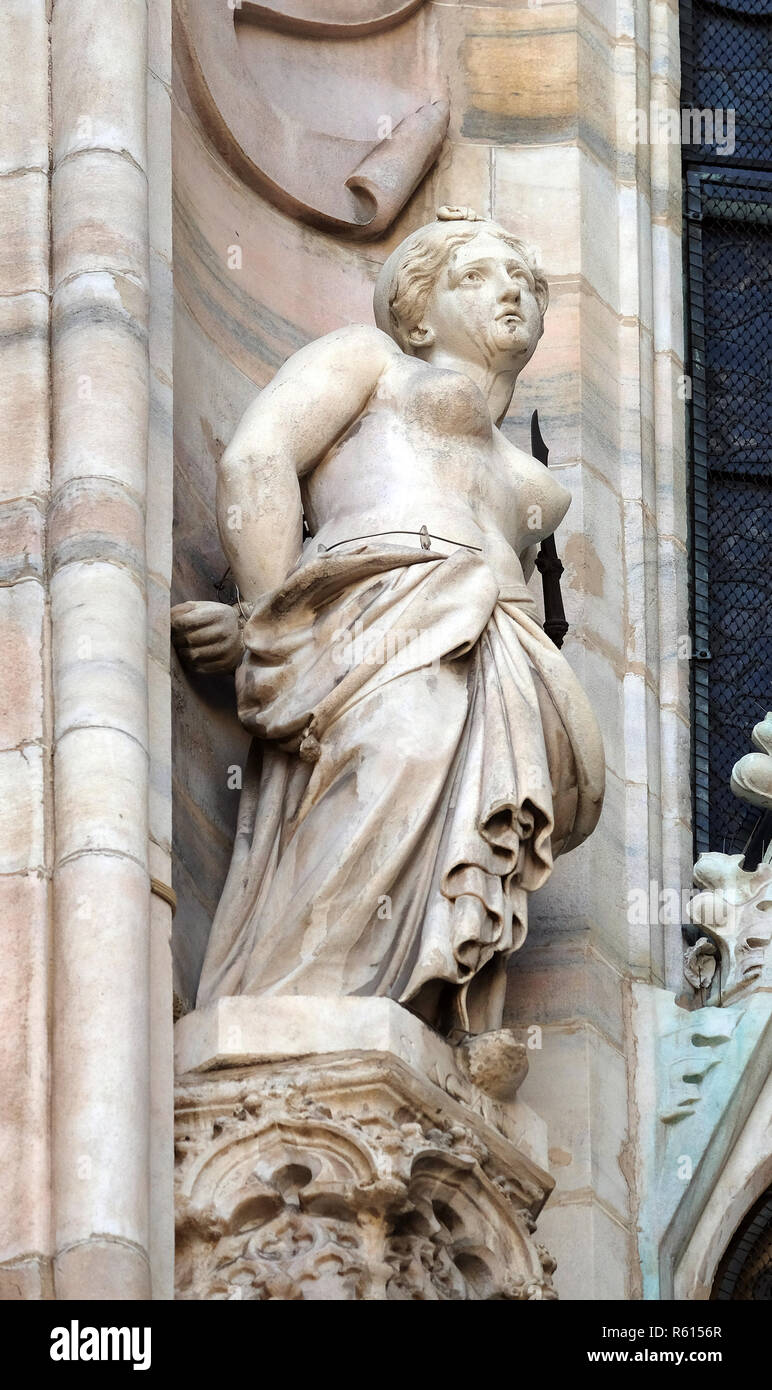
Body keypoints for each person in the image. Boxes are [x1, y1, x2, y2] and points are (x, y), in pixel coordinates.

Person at [172, 206, 605, 1042]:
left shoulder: (535, 485)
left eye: (522, 281)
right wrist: (273, 627)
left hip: (499, 642)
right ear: (414, 309)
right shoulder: (371, 360)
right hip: (378, 614)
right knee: (390, 757)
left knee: (472, 835)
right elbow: (259, 459)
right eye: (474, 275)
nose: (508, 291)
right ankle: (300, 999)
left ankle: (417, 1011)